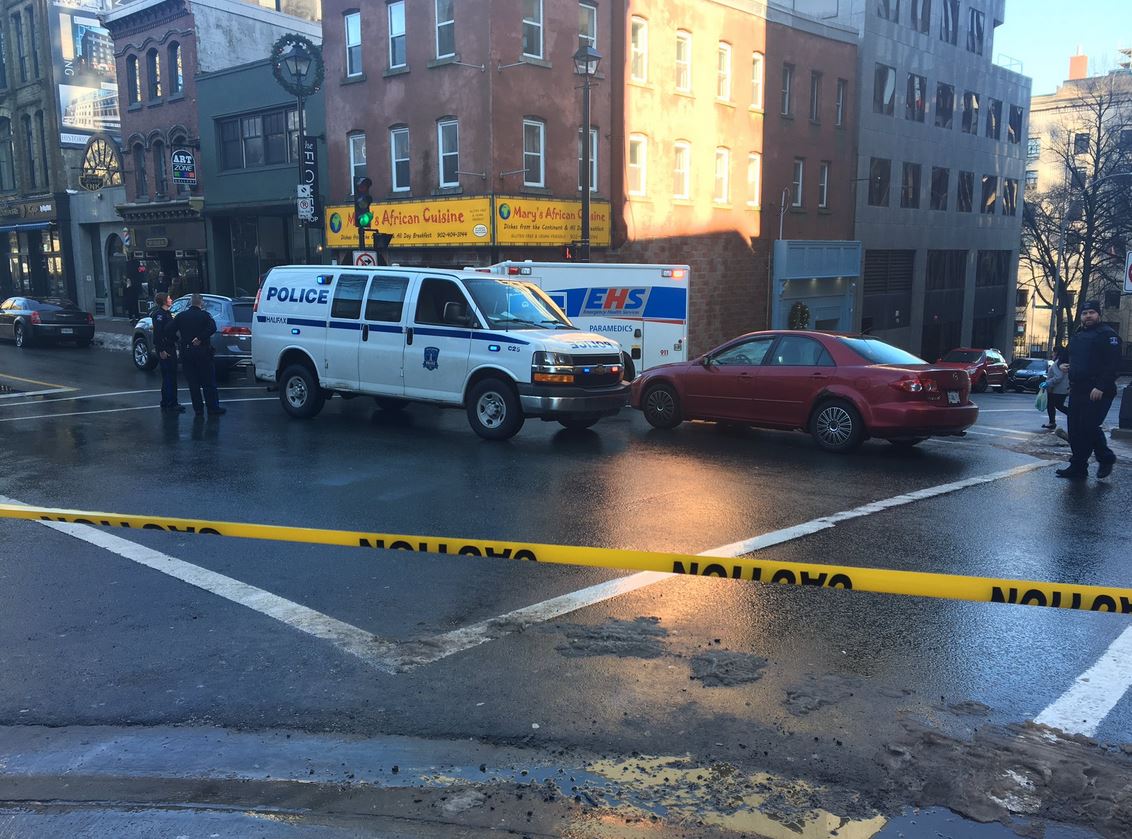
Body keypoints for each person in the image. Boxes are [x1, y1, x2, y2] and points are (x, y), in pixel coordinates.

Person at [1056, 301, 1121, 480]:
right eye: (1085, 313)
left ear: (1098, 314)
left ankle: (1106, 458)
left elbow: (1114, 365)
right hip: (1078, 389)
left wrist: (1101, 386)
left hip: (1098, 390)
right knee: (1075, 430)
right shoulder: (1078, 335)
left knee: (1088, 427)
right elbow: (1065, 355)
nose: (1088, 316)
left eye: (1091, 312)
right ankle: (1078, 467)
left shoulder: (1108, 335)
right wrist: (1062, 364)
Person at [173, 293, 226, 416]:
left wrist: (180, 340)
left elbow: (169, 329)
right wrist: (200, 338)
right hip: (203, 352)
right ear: (201, 303)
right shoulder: (205, 316)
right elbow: (212, 328)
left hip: (186, 352)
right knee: (208, 382)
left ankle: (198, 409)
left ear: (191, 302)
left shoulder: (181, 316)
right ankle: (212, 407)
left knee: (193, 383)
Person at [151, 292, 184, 413]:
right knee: (169, 375)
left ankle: (167, 401)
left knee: (169, 376)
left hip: (169, 345)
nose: (171, 300)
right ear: (164, 301)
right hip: (165, 347)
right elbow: (158, 333)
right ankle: (171, 403)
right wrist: (161, 350)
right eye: (169, 298)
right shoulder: (159, 315)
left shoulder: (167, 313)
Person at [1041, 346, 1069, 430]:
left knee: (1056, 405)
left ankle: (1074, 416)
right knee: (1053, 405)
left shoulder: (1058, 363)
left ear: (1057, 353)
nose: (1052, 354)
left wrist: (1047, 383)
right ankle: (1052, 422)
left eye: (1053, 352)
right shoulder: (1063, 362)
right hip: (1061, 389)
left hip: (1057, 389)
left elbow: (1058, 377)